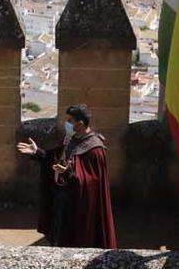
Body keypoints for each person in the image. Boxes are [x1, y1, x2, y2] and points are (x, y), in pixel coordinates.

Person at [16, 104, 117, 249]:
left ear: (80, 123)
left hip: (78, 207)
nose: (67, 124)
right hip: (62, 201)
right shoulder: (71, 139)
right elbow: (55, 158)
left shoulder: (95, 149)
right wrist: (37, 152)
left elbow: (92, 182)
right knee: (59, 239)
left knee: (74, 243)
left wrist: (69, 172)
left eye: (70, 120)